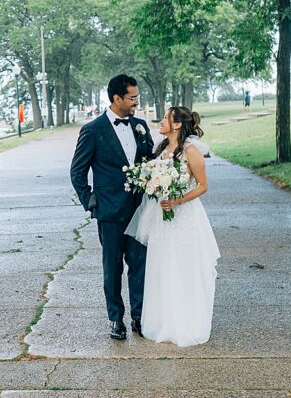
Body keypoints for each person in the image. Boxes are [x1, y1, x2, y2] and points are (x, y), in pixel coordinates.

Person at [125, 106, 220, 345]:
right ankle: (162, 322)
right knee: (162, 267)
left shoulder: (191, 151)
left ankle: (185, 323)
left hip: (184, 217)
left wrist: (178, 200)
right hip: (162, 218)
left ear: (177, 124)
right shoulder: (160, 150)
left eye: (166, 118)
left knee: (182, 269)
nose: (162, 121)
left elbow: (202, 186)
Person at [69, 74, 154, 339]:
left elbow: (150, 161)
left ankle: (140, 317)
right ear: (116, 98)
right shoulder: (92, 130)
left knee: (140, 264)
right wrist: (91, 203)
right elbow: (77, 172)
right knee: (113, 267)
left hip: (139, 209)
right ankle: (116, 319)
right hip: (109, 212)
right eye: (132, 98)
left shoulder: (140, 126)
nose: (136, 103)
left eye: (137, 98)